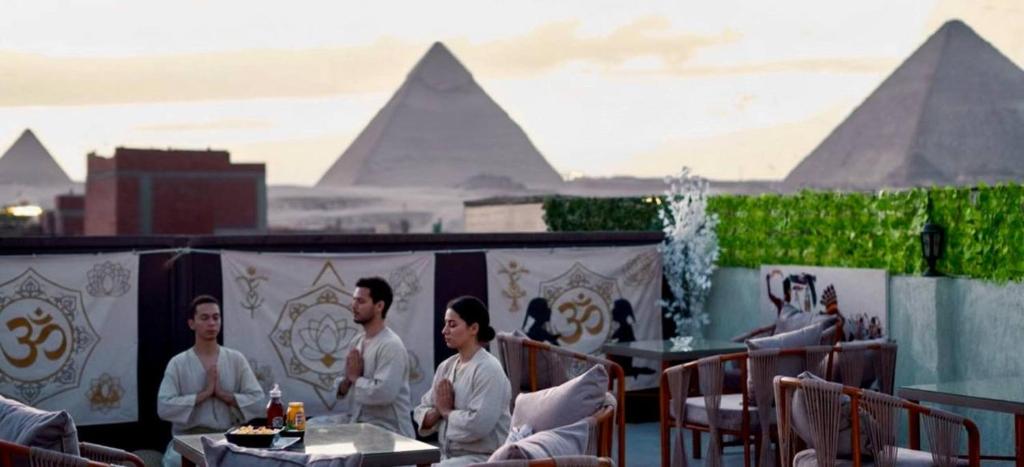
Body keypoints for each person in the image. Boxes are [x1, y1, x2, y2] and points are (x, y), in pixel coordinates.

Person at [157, 295, 264, 467]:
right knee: (177, 463)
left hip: (230, 438)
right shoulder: (178, 363)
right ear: (192, 323)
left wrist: (223, 395)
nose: (212, 323)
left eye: (216, 317)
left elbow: (259, 401)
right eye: (205, 318)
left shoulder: (235, 359)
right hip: (188, 440)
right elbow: (164, 407)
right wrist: (204, 394)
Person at [414, 296, 511, 466]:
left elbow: (478, 425)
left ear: (473, 328)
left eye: (452, 325)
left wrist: (446, 413)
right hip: (449, 458)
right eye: (445, 324)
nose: (444, 331)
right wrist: (439, 411)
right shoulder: (446, 367)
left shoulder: (489, 369)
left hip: (483, 460)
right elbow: (421, 411)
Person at [334, 277, 415, 438]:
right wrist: (347, 382)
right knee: (312, 427)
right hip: (360, 423)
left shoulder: (391, 345)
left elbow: (384, 394)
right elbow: (343, 387)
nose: (354, 306)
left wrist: (355, 379)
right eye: (354, 300)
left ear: (379, 306)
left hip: (390, 431)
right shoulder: (356, 342)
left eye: (361, 301)